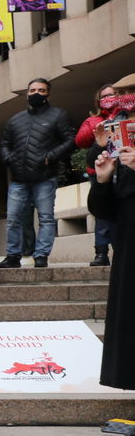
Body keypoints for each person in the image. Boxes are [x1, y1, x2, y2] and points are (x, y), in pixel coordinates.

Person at [0, 78, 75, 269]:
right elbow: (4, 143)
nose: (36, 93)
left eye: (41, 90)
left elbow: (71, 140)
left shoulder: (58, 115)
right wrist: (8, 159)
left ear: (48, 93)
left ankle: (41, 255)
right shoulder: (16, 119)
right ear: (26, 93)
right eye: (32, 90)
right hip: (18, 179)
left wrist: (51, 156)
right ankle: (13, 256)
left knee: (46, 218)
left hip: (45, 177)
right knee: (13, 218)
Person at [89, 72, 135, 392]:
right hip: (129, 240)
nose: (125, 98)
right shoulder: (117, 137)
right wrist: (104, 179)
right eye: (122, 94)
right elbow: (104, 210)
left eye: (131, 92)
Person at [78, 84, 122, 266]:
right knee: (102, 214)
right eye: (104, 97)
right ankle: (101, 252)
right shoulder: (93, 120)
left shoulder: (127, 117)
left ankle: (121, 249)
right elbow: (80, 140)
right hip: (101, 173)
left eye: (112, 95)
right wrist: (99, 128)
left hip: (125, 171)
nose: (108, 99)